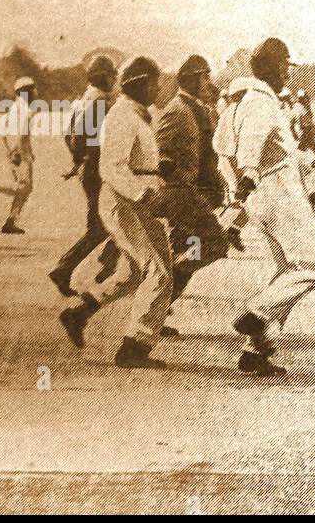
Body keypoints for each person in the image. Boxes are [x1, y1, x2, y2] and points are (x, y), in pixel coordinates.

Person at [57, 57, 174, 369]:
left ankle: (79, 313)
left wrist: (158, 169)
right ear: (141, 84)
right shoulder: (122, 115)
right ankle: (134, 346)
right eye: (155, 82)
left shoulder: (136, 114)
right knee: (158, 271)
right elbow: (110, 166)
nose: (159, 87)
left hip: (133, 201)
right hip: (125, 203)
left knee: (133, 273)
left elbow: (135, 159)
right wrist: (142, 193)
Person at [229, 38, 315, 376]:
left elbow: (276, 148)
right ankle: (255, 311)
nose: (288, 72)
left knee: (289, 272)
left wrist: (313, 159)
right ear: (274, 66)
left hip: (269, 190)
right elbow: (251, 145)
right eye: (286, 65)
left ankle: (257, 351)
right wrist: (247, 173)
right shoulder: (260, 101)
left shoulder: (246, 99)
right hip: (276, 191)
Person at [151, 55, 230, 316]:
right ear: (194, 79)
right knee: (212, 246)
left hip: (199, 194)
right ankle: (160, 285)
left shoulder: (198, 108)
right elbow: (157, 148)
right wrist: (170, 172)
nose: (209, 82)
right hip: (184, 196)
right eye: (205, 76)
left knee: (192, 250)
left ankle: (156, 311)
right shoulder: (177, 109)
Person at [50, 56, 121, 297]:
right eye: (112, 75)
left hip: (88, 168)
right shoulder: (99, 101)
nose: (115, 79)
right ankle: (71, 267)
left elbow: (68, 134)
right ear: (102, 76)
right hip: (97, 170)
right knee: (105, 224)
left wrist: (77, 160)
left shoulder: (83, 99)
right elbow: (83, 137)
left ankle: (95, 266)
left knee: (103, 224)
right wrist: (91, 157)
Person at [0, 77, 39, 234]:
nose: (35, 92)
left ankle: (11, 221)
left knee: (24, 188)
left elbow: (2, 132)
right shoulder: (26, 110)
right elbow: (22, 134)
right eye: (32, 89)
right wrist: (19, 152)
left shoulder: (14, 107)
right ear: (26, 92)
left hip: (16, 151)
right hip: (20, 153)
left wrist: (9, 150)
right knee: (25, 188)